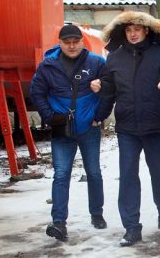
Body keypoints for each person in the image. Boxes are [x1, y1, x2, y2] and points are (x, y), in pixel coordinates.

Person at [92, 11, 160, 247]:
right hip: (127, 128)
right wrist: (100, 101)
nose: (133, 33)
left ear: (146, 30)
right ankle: (131, 227)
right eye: (128, 30)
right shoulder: (114, 58)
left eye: (137, 28)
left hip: (156, 125)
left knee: (159, 172)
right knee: (127, 175)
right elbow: (110, 90)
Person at [31, 24, 114, 242]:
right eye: (66, 42)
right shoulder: (47, 66)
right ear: (59, 43)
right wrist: (49, 117)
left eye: (75, 41)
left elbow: (110, 90)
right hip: (62, 130)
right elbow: (37, 92)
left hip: (89, 128)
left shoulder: (96, 63)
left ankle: (97, 214)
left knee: (93, 172)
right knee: (61, 174)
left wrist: (99, 116)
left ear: (81, 41)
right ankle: (59, 222)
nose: (71, 46)